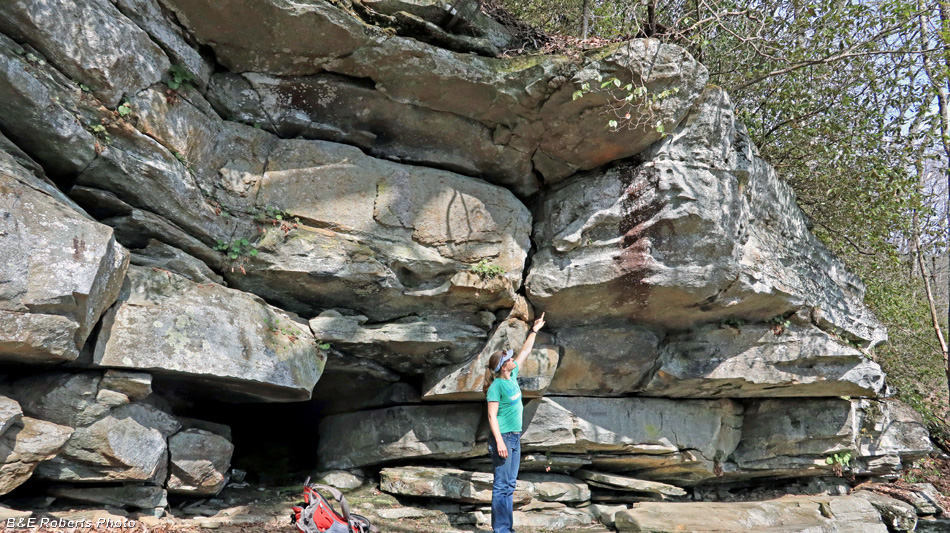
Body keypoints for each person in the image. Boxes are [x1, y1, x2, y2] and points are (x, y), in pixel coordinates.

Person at [484, 312, 545, 533]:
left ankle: (506, 529)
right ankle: (501, 530)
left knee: (510, 485)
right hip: (504, 438)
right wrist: (499, 442)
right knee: (501, 486)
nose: (513, 359)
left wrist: (534, 330)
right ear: (502, 366)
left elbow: (526, 351)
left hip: (514, 437)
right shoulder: (496, 387)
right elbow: (492, 416)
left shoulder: (513, 375)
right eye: (509, 358)